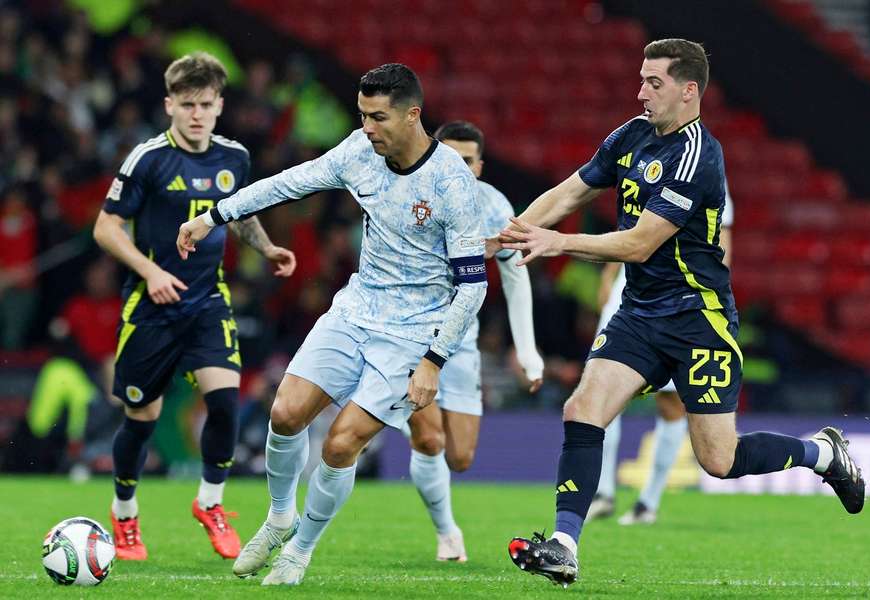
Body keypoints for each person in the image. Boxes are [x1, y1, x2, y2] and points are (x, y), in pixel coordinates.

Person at [498, 39, 865, 587]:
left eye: (654, 83)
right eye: (641, 79)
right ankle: (565, 545)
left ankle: (823, 454)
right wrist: (513, 232)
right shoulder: (631, 134)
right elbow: (570, 192)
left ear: (688, 91)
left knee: (719, 459)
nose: (640, 91)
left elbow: (641, 244)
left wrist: (556, 244)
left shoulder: (698, 156)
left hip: (700, 319)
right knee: (582, 408)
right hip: (640, 313)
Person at [176, 63, 488, 586]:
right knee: (285, 413)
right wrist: (214, 217)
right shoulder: (359, 152)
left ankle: (300, 549)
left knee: (340, 445)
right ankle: (279, 517)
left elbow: (472, 285)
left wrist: (434, 360)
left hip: (412, 335)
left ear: (413, 115)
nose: (367, 127)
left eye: (378, 117)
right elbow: (288, 184)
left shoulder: (453, 184)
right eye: (362, 115)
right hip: (355, 310)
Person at [92, 51, 296, 561]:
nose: (197, 113)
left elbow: (240, 213)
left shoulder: (235, 158)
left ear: (221, 104)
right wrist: (151, 271)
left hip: (208, 300)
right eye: (187, 104)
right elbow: (105, 227)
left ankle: (211, 502)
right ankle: (124, 515)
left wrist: (266, 247)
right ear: (169, 105)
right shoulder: (147, 158)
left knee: (224, 403)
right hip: (152, 308)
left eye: (206, 103)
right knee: (141, 419)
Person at [404, 121, 544, 562]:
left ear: (479, 166)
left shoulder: (494, 207)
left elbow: (515, 275)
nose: (458, 169)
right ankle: (447, 534)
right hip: (406, 335)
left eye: (467, 161)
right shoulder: (409, 195)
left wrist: (527, 352)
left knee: (460, 457)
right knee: (429, 441)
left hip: (460, 343)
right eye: (448, 158)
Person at [587, 183, 733, 525]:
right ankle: (603, 493)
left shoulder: (711, 179)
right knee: (604, 395)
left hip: (677, 303)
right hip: (629, 296)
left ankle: (647, 501)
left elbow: (721, 247)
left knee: (670, 404)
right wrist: (609, 273)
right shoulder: (644, 161)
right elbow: (629, 228)